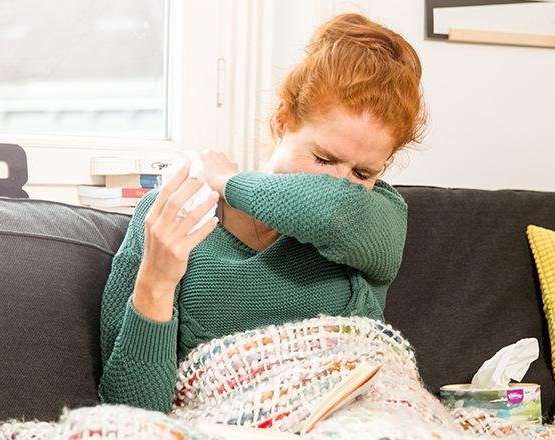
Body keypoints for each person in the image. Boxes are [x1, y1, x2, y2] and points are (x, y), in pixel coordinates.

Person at [98, 12, 426, 413]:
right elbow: (131, 414)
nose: (341, 182)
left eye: (364, 172)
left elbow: (334, 209)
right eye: (324, 158)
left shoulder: (380, 218)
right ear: (281, 122)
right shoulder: (173, 216)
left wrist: (228, 182)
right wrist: (156, 284)